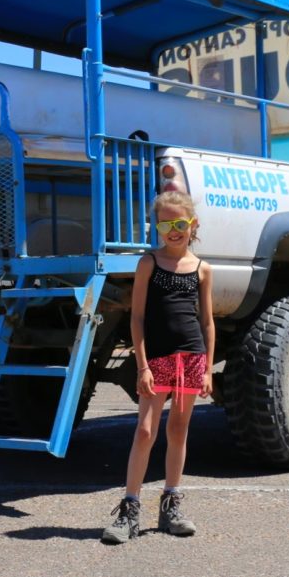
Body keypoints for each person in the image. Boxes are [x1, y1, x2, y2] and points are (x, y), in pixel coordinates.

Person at [102, 190, 215, 544]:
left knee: (178, 430)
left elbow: (208, 323)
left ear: (192, 225)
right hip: (157, 360)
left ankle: (171, 504)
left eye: (180, 223)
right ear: (157, 227)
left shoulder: (201, 268)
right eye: (166, 224)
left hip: (190, 359)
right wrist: (142, 366)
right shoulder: (149, 263)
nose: (174, 230)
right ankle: (130, 509)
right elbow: (136, 318)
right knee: (145, 431)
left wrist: (208, 368)